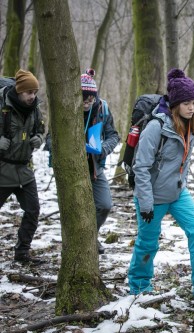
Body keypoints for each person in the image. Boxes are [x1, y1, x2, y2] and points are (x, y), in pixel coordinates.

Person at [128, 68, 194, 304]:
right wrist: (146, 204)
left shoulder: (190, 125)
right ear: (174, 103)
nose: (191, 107)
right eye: (186, 103)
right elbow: (141, 167)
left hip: (178, 194)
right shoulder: (156, 128)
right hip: (151, 197)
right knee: (148, 242)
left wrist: (181, 186)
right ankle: (139, 288)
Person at [0, 69, 45, 265]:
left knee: (33, 211)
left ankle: (22, 252)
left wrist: (39, 139)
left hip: (25, 170)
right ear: (19, 91)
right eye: (28, 92)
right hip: (3, 169)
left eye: (34, 92)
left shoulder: (35, 109)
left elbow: (43, 130)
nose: (32, 96)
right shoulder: (3, 108)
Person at [80, 69, 120, 254]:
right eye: (84, 99)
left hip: (95, 167)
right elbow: (50, 138)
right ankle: (79, 242)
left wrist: (103, 148)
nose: (88, 103)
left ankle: (89, 238)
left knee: (104, 205)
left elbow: (113, 135)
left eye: (91, 99)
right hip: (73, 169)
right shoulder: (66, 110)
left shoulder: (102, 108)